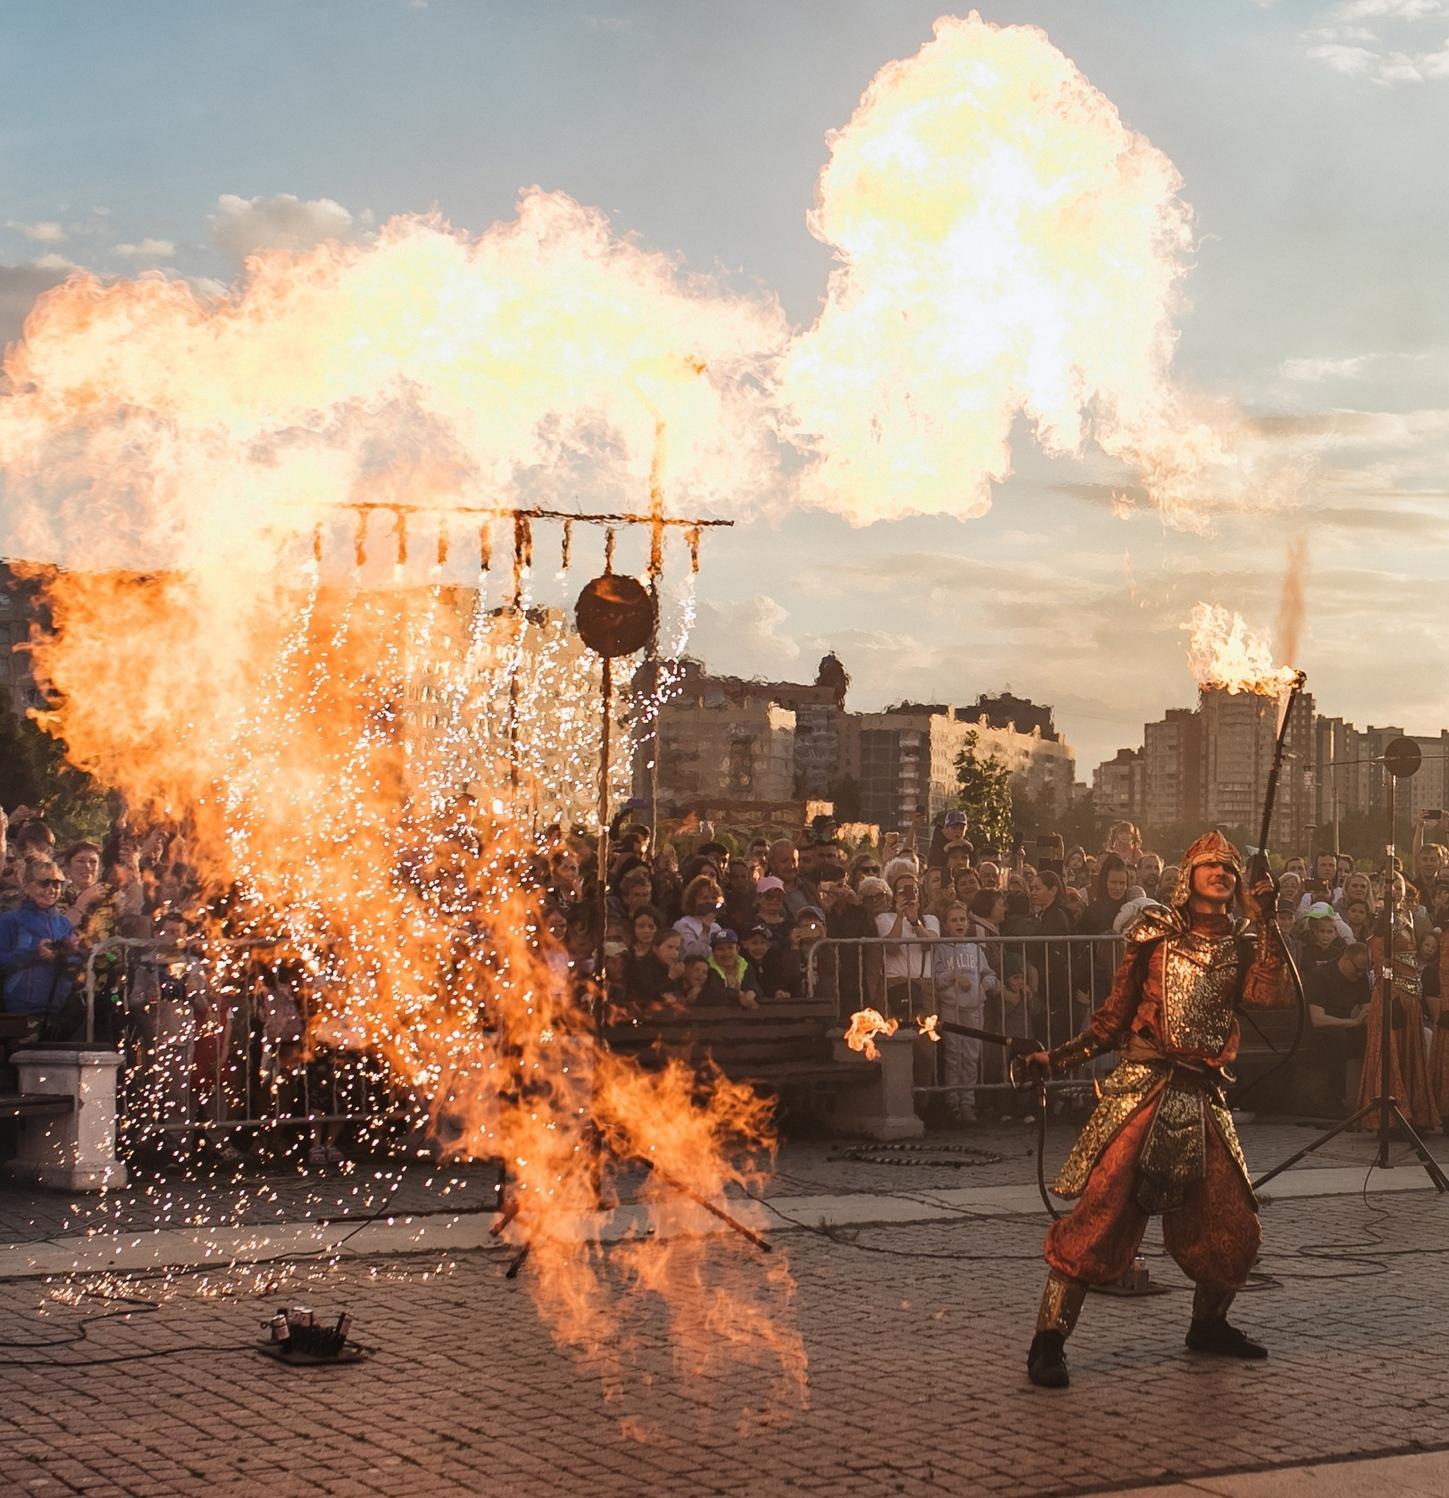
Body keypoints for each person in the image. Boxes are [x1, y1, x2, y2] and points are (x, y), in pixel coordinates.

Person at [1020, 831, 1290, 1389]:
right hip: (1144, 1089)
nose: (1222, 874)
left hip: (1203, 1098)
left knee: (1234, 1225)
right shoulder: (1154, 935)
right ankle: (1048, 1341)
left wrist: (1266, 922)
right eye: (1211, 865)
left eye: (1230, 869)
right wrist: (1059, 1057)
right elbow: (1111, 1020)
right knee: (1099, 1218)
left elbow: (1271, 997)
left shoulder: (1243, 943)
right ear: (1187, 874)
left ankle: (1209, 1326)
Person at [932, 902, 998, 1124]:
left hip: (974, 1008)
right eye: (954, 920)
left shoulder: (975, 948)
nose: (959, 923)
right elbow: (937, 979)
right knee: (953, 1055)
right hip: (951, 1008)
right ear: (945, 925)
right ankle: (952, 1101)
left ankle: (967, 1102)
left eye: (962, 919)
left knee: (971, 1056)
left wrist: (984, 986)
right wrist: (953, 976)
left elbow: (990, 975)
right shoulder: (940, 949)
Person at [0, 856, 81, 1037]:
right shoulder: (10, 920)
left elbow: (75, 964)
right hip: (21, 1013)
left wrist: (66, 957)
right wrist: (34, 954)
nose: (51, 889)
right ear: (27, 886)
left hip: (58, 1013)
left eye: (57, 883)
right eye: (44, 883)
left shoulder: (64, 924)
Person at [1302, 942, 1371, 1114]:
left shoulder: (1360, 977)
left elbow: (1367, 1006)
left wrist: (1365, 1017)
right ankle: (1334, 1101)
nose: (1360, 974)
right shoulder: (1320, 976)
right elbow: (1317, 1019)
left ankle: (1368, 1094)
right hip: (1320, 1029)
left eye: (1364, 971)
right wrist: (1353, 1022)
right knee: (1338, 1039)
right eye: (1358, 969)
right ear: (1346, 959)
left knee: (1371, 1036)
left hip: (1346, 1024)